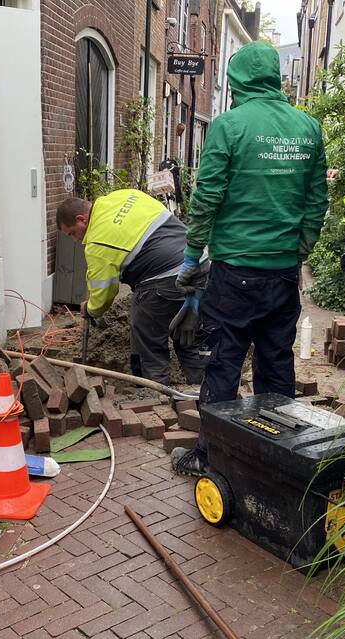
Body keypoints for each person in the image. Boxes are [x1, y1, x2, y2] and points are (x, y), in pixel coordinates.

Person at [172, 42, 329, 475]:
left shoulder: (228, 126)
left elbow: (207, 199)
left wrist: (190, 257)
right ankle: (275, 463)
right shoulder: (308, 127)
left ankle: (211, 459)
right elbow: (317, 201)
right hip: (282, 276)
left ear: (239, 82)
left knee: (223, 365)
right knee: (277, 366)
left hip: (235, 274)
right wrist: (299, 251)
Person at [57, 190, 209, 385]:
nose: (75, 240)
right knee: (188, 335)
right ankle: (204, 394)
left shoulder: (96, 242)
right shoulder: (123, 196)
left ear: (81, 220)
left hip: (164, 279)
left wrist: (89, 308)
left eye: (72, 234)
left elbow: (104, 294)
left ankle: (156, 397)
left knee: (149, 340)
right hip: (200, 266)